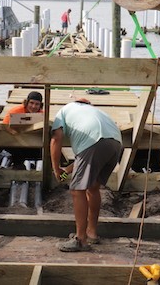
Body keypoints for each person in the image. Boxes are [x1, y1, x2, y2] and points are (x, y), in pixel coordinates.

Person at [50, 98, 123, 252]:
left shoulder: (63, 112)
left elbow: (56, 139)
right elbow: (85, 157)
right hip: (115, 143)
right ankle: (91, 233)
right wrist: (66, 170)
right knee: (93, 187)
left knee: (77, 190)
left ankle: (80, 240)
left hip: (94, 142)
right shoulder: (95, 112)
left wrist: (56, 169)